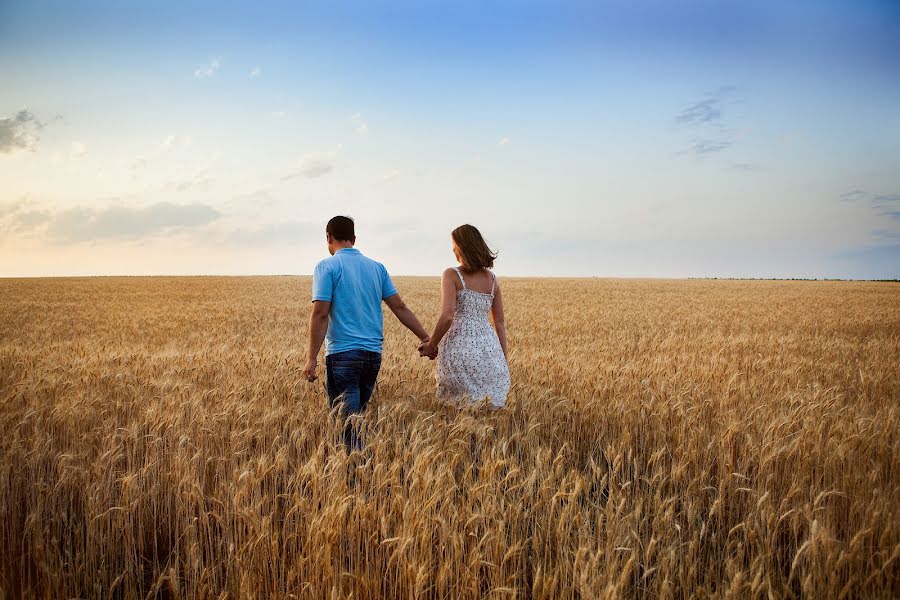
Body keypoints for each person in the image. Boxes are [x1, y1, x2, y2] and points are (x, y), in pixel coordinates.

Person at [303, 216, 432, 451]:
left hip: (343, 355)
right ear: (354, 239)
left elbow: (321, 314)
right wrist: (425, 338)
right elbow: (400, 307)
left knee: (347, 428)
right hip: (372, 355)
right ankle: (362, 475)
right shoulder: (377, 267)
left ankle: (354, 477)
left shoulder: (326, 267)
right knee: (357, 421)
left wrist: (312, 358)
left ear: (328, 238)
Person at [418, 224, 510, 408]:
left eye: (454, 245)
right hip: (489, 350)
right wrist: (503, 359)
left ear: (461, 247)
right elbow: (499, 322)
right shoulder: (492, 280)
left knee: (457, 408)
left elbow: (447, 316)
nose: (453, 250)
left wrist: (431, 345)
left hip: (459, 348)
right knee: (487, 409)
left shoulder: (452, 274)